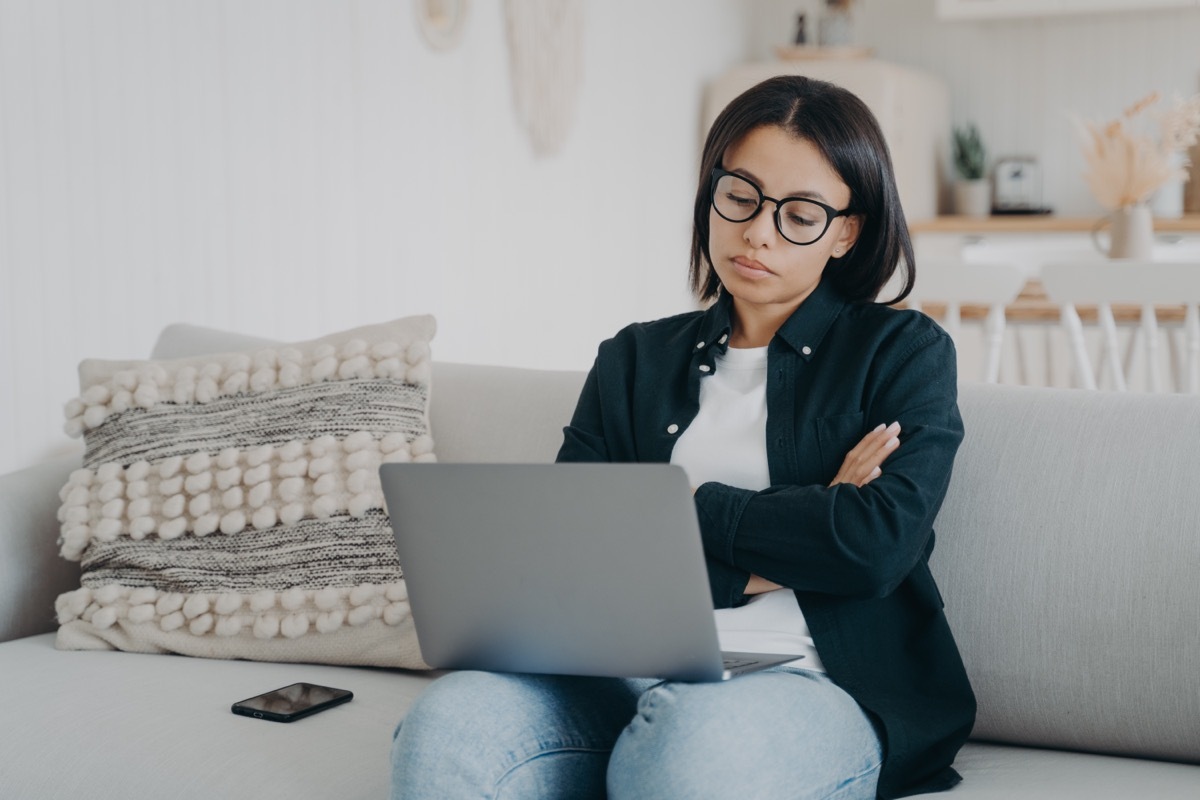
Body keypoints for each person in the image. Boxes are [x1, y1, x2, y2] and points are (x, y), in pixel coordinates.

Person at [390, 75, 975, 800]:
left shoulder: (902, 352)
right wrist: (807, 522)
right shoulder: (634, 358)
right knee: (447, 726)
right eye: (740, 196)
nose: (759, 231)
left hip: (813, 683)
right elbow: (574, 545)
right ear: (711, 194)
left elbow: (876, 545)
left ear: (847, 231)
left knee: (684, 745)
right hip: (616, 671)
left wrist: (678, 508)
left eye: (800, 214)